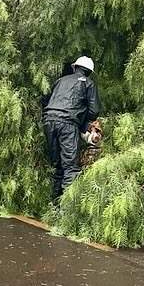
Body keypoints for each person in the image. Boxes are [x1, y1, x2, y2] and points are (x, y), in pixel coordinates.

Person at [43, 55, 101, 198]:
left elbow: (46, 100)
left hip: (49, 121)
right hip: (68, 124)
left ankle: (55, 203)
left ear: (75, 67)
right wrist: (84, 124)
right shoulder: (88, 83)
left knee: (57, 165)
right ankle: (68, 205)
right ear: (89, 72)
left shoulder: (60, 81)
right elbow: (94, 111)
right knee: (70, 166)